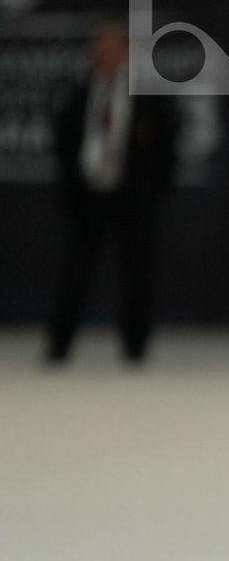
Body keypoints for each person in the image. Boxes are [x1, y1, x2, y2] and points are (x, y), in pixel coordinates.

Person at [46, 19, 179, 365]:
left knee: (137, 273)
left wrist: (151, 193)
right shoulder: (78, 93)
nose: (104, 54)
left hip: (131, 199)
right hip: (88, 197)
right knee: (75, 271)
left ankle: (135, 346)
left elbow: (167, 149)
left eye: (112, 47)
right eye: (99, 49)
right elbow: (63, 143)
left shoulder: (148, 98)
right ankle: (59, 344)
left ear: (126, 52)